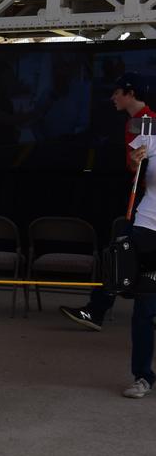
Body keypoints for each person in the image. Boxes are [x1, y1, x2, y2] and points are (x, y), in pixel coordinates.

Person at [59, 74, 156, 397]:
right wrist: (135, 159)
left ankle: (99, 306)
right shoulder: (148, 128)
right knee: (145, 306)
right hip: (148, 224)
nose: (114, 97)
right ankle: (142, 375)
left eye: (118, 92)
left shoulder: (145, 120)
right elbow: (135, 163)